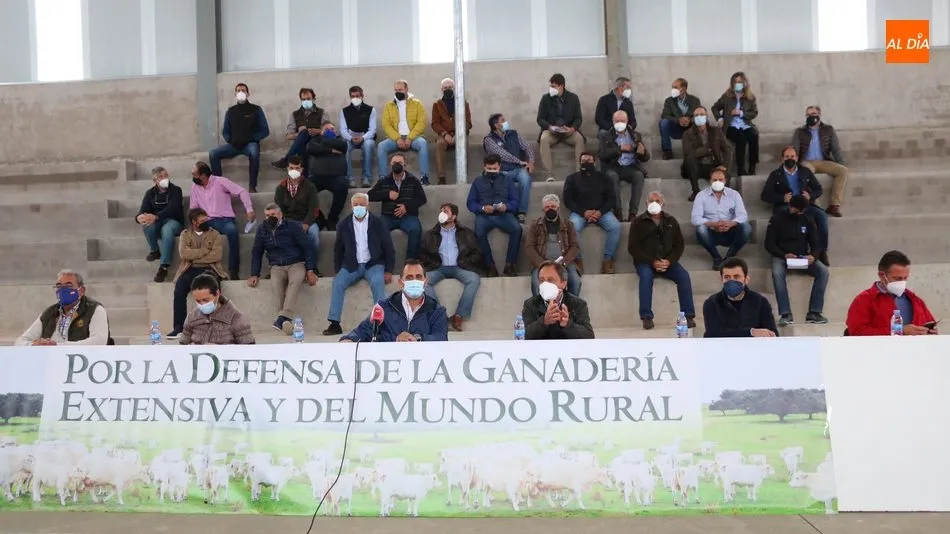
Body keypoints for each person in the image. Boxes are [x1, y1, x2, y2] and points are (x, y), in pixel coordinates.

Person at [323, 193, 395, 336]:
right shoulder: (343, 224)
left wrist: (389, 270)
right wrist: (338, 269)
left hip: (373, 264)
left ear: (368, 205)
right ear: (351, 206)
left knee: (378, 282)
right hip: (351, 265)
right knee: (338, 283)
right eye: (356, 205)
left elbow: (388, 247)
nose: (359, 207)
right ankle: (334, 323)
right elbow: (338, 249)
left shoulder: (378, 223)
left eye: (362, 204)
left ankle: (381, 323)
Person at [628, 192, 695, 330]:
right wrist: (652, 261)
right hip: (645, 262)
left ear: (662, 204)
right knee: (646, 277)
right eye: (651, 200)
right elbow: (633, 247)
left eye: (657, 201)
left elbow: (679, 245)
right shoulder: (637, 222)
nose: (654, 203)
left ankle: (688, 316)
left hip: (667, 262)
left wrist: (669, 261)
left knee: (683, 276)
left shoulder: (671, 221)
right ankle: (646, 317)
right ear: (646, 204)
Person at [248, 204, 319, 334]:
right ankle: (285, 321)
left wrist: (310, 270)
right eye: (267, 215)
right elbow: (257, 251)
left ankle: (282, 319)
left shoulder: (293, 226)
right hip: (276, 266)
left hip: (296, 263)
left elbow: (308, 247)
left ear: (280, 214)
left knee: (295, 282)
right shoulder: (262, 229)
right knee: (276, 285)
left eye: (273, 214)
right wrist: (254, 274)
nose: (270, 217)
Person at [340, 260, 448, 342]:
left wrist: (417, 338)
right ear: (401, 282)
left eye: (418, 277)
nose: (414, 281)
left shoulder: (437, 311)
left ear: (425, 282)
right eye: (409, 277)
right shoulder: (384, 307)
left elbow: (441, 338)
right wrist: (349, 340)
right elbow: (361, 332)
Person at [764, 194, 829, 327]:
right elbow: (769, 244)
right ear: (790, 206)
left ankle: (814, 312)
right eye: (797, 210)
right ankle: (785, 314)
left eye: (802, 211)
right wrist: (784, 255)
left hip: (802, 256)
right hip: (782, 256)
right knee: (777, 273)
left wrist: (813, 256)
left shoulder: (808, 220)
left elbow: (816, 243)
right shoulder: (777, 219)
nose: (799, 213)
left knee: (823, 271)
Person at [761, 146, 830, 266]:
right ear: (782, 159)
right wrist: (782, 198)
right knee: (788, 219)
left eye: (792, 156)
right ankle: (787, 253)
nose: (790, 159)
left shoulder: (805, 171)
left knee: (822, 216)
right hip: (787, 206)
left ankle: (821, 251)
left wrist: (810, 196)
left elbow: (818, 189)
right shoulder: (775, 174)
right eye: (787, 156)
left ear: (797, 158)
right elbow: (765, 195)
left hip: (805, 205)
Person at [419, 203, 483, 332]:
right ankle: (439, 315)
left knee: (474, 279)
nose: (442, 213)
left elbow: (477, 252)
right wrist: (432, 262)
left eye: (446, 211)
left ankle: (459, 316)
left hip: (460, 266)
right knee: (422, 281)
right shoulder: (431, 234)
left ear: (453, 216)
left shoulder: (466, 232)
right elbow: (422, 253)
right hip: (438, 267)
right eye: (441, 211)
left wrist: (465, 262)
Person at [845, 250, 937, 336]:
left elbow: (929, 324)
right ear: (882, 275)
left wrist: (931, 332)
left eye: (905, 278)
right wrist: (899, 331)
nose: (902, 282)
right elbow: (856, 332)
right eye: (898, 278)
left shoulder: (915, 300)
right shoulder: (864, 300)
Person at [189, 161, 254, 280]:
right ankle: (204, 271)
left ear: (203, 175)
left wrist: (249, 209)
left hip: (224, 220)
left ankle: (233, 270)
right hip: (206, 221)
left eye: (194, 174)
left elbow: (242, 191)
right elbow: (193, 208)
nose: (192, 177)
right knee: (196, 236)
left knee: (232, 231)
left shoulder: (220, 181)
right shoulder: (194, 187)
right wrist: (196, 220)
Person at [168, 208, 227, 339]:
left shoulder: (214, 234)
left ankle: (216, 326)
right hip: (190, 268)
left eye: (206, 219)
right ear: (194, 222)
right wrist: (204, 251)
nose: (206, 222)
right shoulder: (185, 234)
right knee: (179, 291)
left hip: (209, 268)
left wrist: (195, 257)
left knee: (214, 291)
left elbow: (216, 255)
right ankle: (179, 328)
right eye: (202, 220)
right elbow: (184, 254)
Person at [15, 269, 111, 346]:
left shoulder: (94, 310)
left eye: (68, 286)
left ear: (81, 290)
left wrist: (58, 346)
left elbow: (99, 341)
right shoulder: (50, 313)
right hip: (51, 360)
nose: (62, 290)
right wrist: (34, 345)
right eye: (59, 286)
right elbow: (20, 341)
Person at [563, 152, 620, 274]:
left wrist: (600, 212)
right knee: (572, 227)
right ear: (580, 163)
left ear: (594, 162)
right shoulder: (571, 178)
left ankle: (607, 260)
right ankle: (577, 260)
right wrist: (584, 212)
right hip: (579, 213)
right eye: (583, 161)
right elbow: (567, 200)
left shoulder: (604, 178)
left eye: (589, 161)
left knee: (615, 226)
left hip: (602, 212)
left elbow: (611, 199)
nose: (586, 163)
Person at [466, 154, 522, 277]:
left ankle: (510, 265)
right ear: (484, 167)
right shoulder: (477, 181)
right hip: (484, 215)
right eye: (489, 168)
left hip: (503, 214)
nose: (492, 171)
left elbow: (515, 201)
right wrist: (482, 208)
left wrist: (506, 207)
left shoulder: (507, 180)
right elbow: (470, 203)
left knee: (517, 229)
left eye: (494, 168)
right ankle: (490, 266)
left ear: (499, 166)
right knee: (479, 233)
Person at [210, 83, 270, 193]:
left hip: (250, 144)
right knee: (213, 154)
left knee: (254, 153)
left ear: (248, 93)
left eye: (243, 90)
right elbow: (225, 131)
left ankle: (252, 187)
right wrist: (230, 140)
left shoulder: (256, 110)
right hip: (234, 145)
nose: (241, 92)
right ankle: (218, 185)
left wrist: (252, 138)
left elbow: (265, 131)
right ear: (235, 94)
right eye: (238, 90)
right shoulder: (230, 111)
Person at [368, 153, 427, 260]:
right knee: (377, 229)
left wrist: (407, 207)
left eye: (400, 163)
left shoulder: (413, 180)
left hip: (408, 217)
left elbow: (422, 198)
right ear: (390, 165)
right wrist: (387, 194)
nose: (397, 165)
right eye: (394, 163)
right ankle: (381, 262)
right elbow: (370, 195)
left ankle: (411, 262)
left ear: (405, 166)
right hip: (388, 217)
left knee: (415, 229)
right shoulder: (384, 180)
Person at [792, 105, 849, 217]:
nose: (811, 116)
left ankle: (834, 205)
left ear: (819, 114)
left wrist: (842, 164)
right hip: (807, 162)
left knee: (843, 171)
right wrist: (793, 165)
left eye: (813, 114)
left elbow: (836, 149)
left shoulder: (828, 130)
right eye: (808, 115)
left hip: (823, 161)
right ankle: (816, 204)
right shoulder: (800, 131)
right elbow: (794, 149)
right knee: (806, 172)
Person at [690, 168, 751, 270]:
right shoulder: (701, 195)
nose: (717, 182)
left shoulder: (734, 194)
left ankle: (730, 257)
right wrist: (714, 224)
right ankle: (717, 258)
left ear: (725, 181)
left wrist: (730, 223)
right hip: (711, 233)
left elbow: (743, 216)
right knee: (701, 228)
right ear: (710, 181)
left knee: (746, 227)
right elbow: (695, 219)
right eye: (714, 180)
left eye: (720, 179)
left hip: (730, 231)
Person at [702, 257, 778, 338]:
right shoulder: (712, 303)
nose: (731, 281)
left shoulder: (760, 301)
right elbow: (711, 334)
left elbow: (772, 334)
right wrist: (751, 332)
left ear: (746, 279)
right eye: (727, 277)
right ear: (721, 279)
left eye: (736, 277)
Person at [521, 261, 595, 340]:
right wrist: (544, 322)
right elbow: (524, 336)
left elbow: (589, 336)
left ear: (563, 284)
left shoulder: (578, 304)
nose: (545, 284)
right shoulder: (530, 304)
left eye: (550, 280)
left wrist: (567, 324)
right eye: (542, 280)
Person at [526, 194, 582, 297]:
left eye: (553, 206)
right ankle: (541, 307)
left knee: (575, 281)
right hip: (542, 264)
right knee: (536, 284)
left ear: (558, 208)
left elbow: (575, 246)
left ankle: (571, 306)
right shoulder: (535, 225)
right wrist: (542, 263)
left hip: (565, 263)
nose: (550, 209)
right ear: (543, 209)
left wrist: (564, 262)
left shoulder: (569, 225)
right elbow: (529, 247)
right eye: (547, 207)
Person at [599, 110, 650, 221]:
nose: (620, 123)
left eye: (622, 121)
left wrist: (643, 152)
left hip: (630, 167)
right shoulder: (605, 135)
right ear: (613, 121)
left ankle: (633, 213)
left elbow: (646, 158)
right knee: (612, 177)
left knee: (639, 176)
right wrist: (620, 149)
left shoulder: (635, 135)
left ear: (627, 122)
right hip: (613, 167)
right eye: (617, 121)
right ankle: (618, 212)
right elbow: (602, 155)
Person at [136, 166, 184, 282]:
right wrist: (139, 217)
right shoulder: (150, 193)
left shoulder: (176, 190)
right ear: (155, 181)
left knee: (167, 229)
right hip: (157, 221)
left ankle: (164, 266)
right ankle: (155, 250)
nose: (164, 178)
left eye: (165, 175)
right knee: (147, 224)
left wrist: (156, 216)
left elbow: (173, 208)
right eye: (160, 177)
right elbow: (143, 209)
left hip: (174, 221)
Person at [483, 113, 533, 223]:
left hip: (518, 169)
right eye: (503, 120)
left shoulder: (513, 134)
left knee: (526, 179)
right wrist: (520, 162)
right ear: (496, 125)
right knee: (505, 182)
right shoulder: (489, 139)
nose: (506, 122)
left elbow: (527, 147)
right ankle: (510, 210)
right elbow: (502, 155)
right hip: (502, 170)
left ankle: (521, 212)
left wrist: (531, 162)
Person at [378, 79, 430, 184]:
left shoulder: (417, 104)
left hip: (414, 138)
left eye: (400, 90)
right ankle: (382, 178)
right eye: (396, 90)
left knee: (423, 144)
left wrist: (410, 138)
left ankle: (424, 177)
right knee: (381, 146)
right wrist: (397, 138)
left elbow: (421, 122)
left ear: (406, 89)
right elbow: (386, 124)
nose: (398, 92)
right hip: (396, 138)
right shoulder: (389, 106)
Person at [179, 274, 255, 345]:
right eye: (198, 301)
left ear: (217, 294)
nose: (202, 304)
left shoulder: (237, 319)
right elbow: (182, 347)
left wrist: (218, 350)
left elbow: (250, 350)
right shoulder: (191, 317)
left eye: (206, 300)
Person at [537, 73, 584, 181]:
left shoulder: (573, 98)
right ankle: (548, 174)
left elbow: (578, 118)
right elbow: (540, 119)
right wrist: (549, 127)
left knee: (579, 139)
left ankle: (580, 172)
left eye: (553, 86)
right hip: (551, 131)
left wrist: (572, 129)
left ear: (561, 86)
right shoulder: (546, 98)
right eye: (550, 86)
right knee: (544, 139)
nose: (551, 88)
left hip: (568, 131)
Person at [304, 120, 350, 231]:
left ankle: (332, 219)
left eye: (332, 129)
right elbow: (310, 148)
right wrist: (331, 150)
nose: (330, 131)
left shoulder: (341, 141)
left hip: (336, 178)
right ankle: (319, 218)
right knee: (303, 190)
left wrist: (323, 143)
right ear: (321, 131)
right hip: (317, 177)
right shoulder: (315, 140)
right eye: (327, 129)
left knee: (343, 186)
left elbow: (342, 146)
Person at [711, 72, 758, 176]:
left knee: (753, 136)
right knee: (741, 139)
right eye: (735, 82)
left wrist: (741, 113)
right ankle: (741, 168)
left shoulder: (750, 97)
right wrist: (719, 118)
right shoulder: (727, 96)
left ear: (745, 83)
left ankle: (752, 165)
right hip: (730, 125)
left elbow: (754, 113)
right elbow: (715, 107)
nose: (737, 84)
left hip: (745, 124)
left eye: (740, 82)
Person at [681, 106, 733, 200]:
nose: (699, 117)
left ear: (706, 116)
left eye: (702, 114)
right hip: (695, 167)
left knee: (725, 175)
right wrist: (708, 150)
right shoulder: (687, 134)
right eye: (696, 115)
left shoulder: (716, 131)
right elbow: (688, 152)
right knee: (689, 159)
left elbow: (728, 149)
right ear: (693, 118)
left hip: (712, 165)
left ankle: (722, 196)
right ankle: (695, 191)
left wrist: (725, 165)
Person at [274, 155, 322, 254]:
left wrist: (306, 223)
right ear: (287, 168)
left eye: (297, 168)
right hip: (289, 220)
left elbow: (314, 208)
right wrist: (289, 224)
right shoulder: (280, 188)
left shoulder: (310, 186)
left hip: (307, 220)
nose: (294, 170)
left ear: (301, 169)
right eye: (291, 168)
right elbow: (279, 210)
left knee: (314, 236)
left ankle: (311, 261)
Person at [272, 87, 326, 172]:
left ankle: (286, 160)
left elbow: (330, 131)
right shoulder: (295, 114)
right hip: (302, 144)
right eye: (303, 99)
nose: (306, 101)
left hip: (317, 141)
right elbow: (288, 136)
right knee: (303, 136)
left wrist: (318, 131)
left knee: (304, 136)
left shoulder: (322, 113)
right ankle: (305, 175)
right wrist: (298, 134)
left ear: (313, 99)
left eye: (308, 99)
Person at [431, 78, 473, 185]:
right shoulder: (437, 105)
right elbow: (435, 123)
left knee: (464, 143)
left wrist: (459, 134)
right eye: (445, 88)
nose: (448, 89)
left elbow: (468, 122)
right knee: (440, 144)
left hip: (460, 134)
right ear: (441, 89)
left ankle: (464, 176)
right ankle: (441, 178)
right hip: (444, 135)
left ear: (454, 88)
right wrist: (444, 134)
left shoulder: (463, 103)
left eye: (450, 87)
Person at [339, 85, 377, 187]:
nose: (355, 98)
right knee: (344, 146)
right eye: (353, 96)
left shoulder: (371, 110)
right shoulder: (344, 111)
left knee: (369, 145)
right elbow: (343, 129)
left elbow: (372, 130)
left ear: (362, 96)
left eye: (357, 96)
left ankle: (366, 178)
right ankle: (350, 179)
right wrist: (350, 138)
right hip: (350, 138)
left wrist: (363, 138)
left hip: (366, 138)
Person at [659, 78, 702, 160]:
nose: (673, 90)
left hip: (690, 128)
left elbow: (698, 113)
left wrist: (689, 120)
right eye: (672, 87)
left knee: (702, 119)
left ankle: (699, 150)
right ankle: (667, 151)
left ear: (684, 89)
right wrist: (678, 120)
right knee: (663, 122)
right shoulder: (669, 101)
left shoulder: (695, 100)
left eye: (675, 87)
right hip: (676, 128)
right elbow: (665, 115)